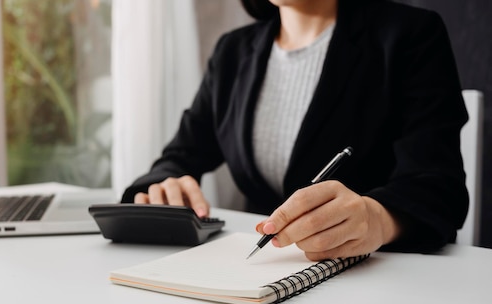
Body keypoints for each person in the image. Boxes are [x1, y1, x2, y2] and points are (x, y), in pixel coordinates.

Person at [121, 0, 469, 261]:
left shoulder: (410, 35)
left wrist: (375, 218)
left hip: (380, 275)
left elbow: (439, 188)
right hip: (262, 276)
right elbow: (179, 157)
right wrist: (162, 188)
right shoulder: (233, 52)